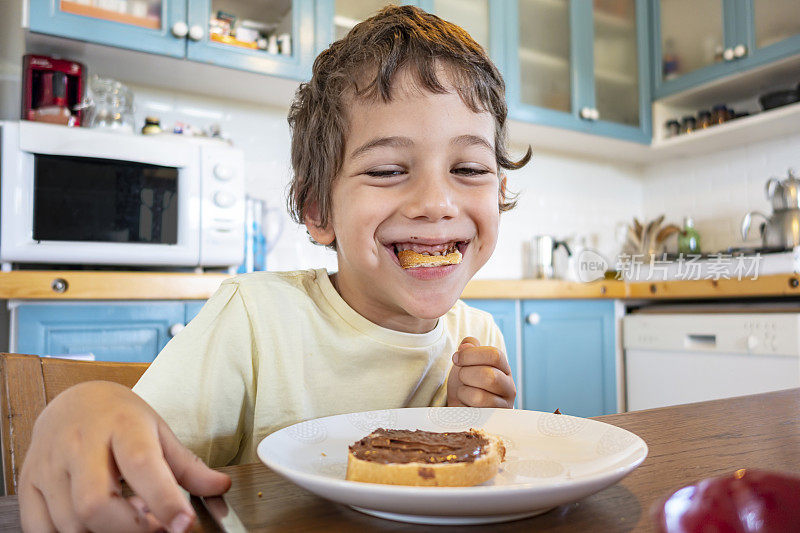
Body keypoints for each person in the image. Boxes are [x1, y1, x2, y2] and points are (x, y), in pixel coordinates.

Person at [18, 5, 531, 532]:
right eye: (385, 170)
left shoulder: (477, 337)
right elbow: (138, 453)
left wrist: (458, 426)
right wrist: (84, 408)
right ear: (317, 210)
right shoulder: (256, 320)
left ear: (501, 191)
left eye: (469, 168)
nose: (437, 202)